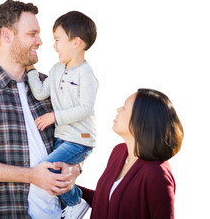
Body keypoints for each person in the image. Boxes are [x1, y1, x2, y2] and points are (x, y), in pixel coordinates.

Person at [0, 0, 81, 219]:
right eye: (32, 34)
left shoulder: (50, 86)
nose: (40, 41)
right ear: (7, 35)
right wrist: (31, 176)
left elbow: (77, 136)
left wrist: (75, 168)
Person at [26, 11, 98, 219]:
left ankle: (76, 202)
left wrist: (54, 117)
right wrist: (30, 70)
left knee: (45, 169)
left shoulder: (86, 74)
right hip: (63, 138)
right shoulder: (56, 70)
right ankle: (73, 201)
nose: (54, 46)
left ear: (76, 42)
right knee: (57, 173)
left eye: (58, 40)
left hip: (81, 139)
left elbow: (85, 108)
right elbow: (40, 92)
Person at [79, 89, 184, 219]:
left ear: (141, 119)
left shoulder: (158, 174)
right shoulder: (119, 152)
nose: (118, 109)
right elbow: (107, 201)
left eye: (124, 107)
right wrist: (68, 187)